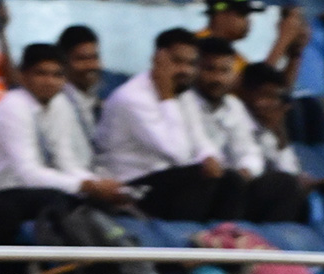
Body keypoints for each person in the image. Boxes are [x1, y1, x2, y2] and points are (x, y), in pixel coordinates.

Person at [95, 28, 244, 223]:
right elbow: (177, 153)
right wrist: (166, 98)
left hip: (167, 180)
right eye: (177, 61)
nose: (185, 70)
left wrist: (210, 157)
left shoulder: (183, 94)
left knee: (230, 180)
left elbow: (199, 139)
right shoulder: (132, 98)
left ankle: (224, 238)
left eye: (191, 64)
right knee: (196, 177)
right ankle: (187, 240)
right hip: (130, 187)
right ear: (158, 59)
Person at [0, 43, 130, 206]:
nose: (50, 81)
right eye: (41, 73)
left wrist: (98, 184)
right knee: (61, 200)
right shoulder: (13, 106)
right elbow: (29, 173)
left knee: (93, 199)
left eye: (57, 75)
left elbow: (66, 163)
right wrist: (88, 186)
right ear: (22, 76)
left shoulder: (58, 103)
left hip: (21, 189)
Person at [184, 37, 306, 223]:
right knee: (230, 181)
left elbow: (248, 152)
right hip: (198, 182)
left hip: (233, 185)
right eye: (209, 69)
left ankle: (271, 242)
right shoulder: (184, 102)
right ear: (196, 69)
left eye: (224, 71)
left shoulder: (233, 106)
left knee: (285, 184)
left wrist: (246, 170)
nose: (217, 78)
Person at [201, 0, 308, 87]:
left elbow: (275, 89)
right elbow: (246, 87)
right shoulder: (200, 43)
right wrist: (283, 39)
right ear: (221, 15)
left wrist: (295, 52)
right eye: (242, 15)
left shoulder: (236, 57)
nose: (248, 21)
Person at [239, 61, 300, 175]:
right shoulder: (236, 121)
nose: (272, 104)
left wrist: (280, 132)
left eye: (275, 97)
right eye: (266, 95)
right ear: (245, 92)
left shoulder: (267, 131)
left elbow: (290, 173)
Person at [56, 24, 104, 129]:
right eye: (82, 59)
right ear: (63, 62)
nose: (91, 65)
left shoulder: (97, 95)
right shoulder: (60, 104)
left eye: (94, 57)